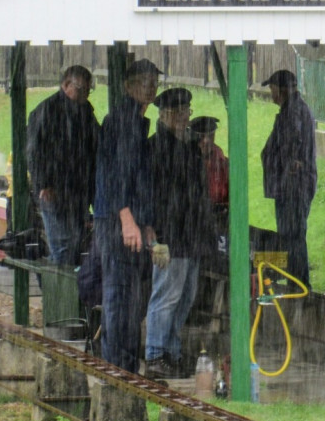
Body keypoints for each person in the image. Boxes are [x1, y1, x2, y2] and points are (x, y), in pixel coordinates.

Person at [94, 58, 162, 374]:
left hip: (133, 223)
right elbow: (116, 174)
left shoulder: (137, 120)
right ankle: (115, 371)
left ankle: (127, 368)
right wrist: (127, 218)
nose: (151, 86)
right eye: (144, 81)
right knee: (119, 298)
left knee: (133, 300)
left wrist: (145, 224)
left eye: (153, 81)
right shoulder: (121, 120)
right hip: (117, 222)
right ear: (128, 86)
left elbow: (140, 179)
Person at [144, 88, 215, 379]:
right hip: (170, 234)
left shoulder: (187, 148)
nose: (188, 116)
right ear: (169, 115)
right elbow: (149, 195)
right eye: (183, 111)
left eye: (188, 109)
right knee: (166, 296)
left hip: (191, 234)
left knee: (184, 297)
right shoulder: (155, 149)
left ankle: (171, 353)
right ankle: (155, 354)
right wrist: (155, 236)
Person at [26, 65, 100, 266]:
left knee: (74, 246)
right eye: (81, 89)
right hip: (55, 191)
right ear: (66, 84)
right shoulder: (45, 111)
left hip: (78, 192)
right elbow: (33, 152)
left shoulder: (85, 112)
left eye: (87, 90)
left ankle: (60, 288)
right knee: (62, 247)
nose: (85, 94)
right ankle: (57, 291)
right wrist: (43, 184)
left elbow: (95, 144)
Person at [260, 70, 317, 289]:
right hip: (292, 186)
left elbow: (294, 141)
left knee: (292, 237)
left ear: (283, 90)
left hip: (293, 187)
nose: (271, 95)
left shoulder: (293, 112)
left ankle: (299, 285)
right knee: (292, 236)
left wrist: (290, 167)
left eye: (273, 89)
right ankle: (298, 283)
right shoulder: (293, 110)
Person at [189, 115, 229, 209]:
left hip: (221, 217)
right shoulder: (184, 163)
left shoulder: (225, 164)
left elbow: (234, 199)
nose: (206, 140)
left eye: (210, 135)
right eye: (201, 136)